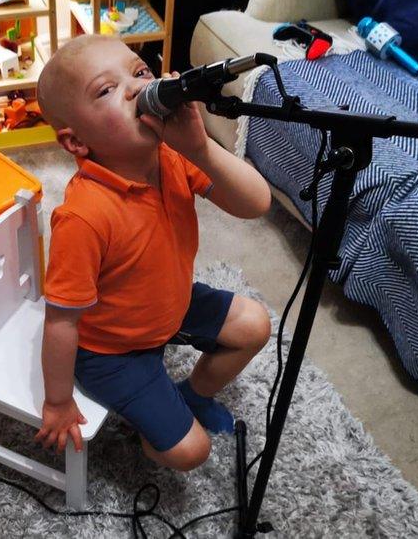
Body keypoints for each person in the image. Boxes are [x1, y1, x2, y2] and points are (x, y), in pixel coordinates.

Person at [34, 35, 272, 471]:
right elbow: (62, 320)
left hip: (168, 305)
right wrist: (57, 401)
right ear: (75, 143)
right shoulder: (83, 217)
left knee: (254, 324)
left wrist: (200, 149)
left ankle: (190, 396)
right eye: (106, 90)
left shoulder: (173, 156)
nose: (135, 88)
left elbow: (255, 204)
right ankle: (151, 427)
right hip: (111, 349)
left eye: (140, 71)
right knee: (190, 453)